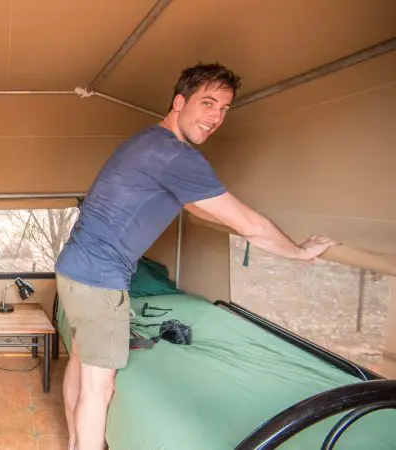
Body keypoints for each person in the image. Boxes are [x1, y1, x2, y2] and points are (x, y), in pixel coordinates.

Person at [54, 62, 338, 450]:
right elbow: (250, 223)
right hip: (99, 279)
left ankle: (73, 443)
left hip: (74, 269)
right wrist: (300, 252)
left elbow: (203, 211)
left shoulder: (148, 144)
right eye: (207, 103)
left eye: (223, 109)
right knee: (98, 389)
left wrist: (238, 227)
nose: (215, 117)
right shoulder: (175, 156)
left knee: (81, 364)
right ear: (179, 101)